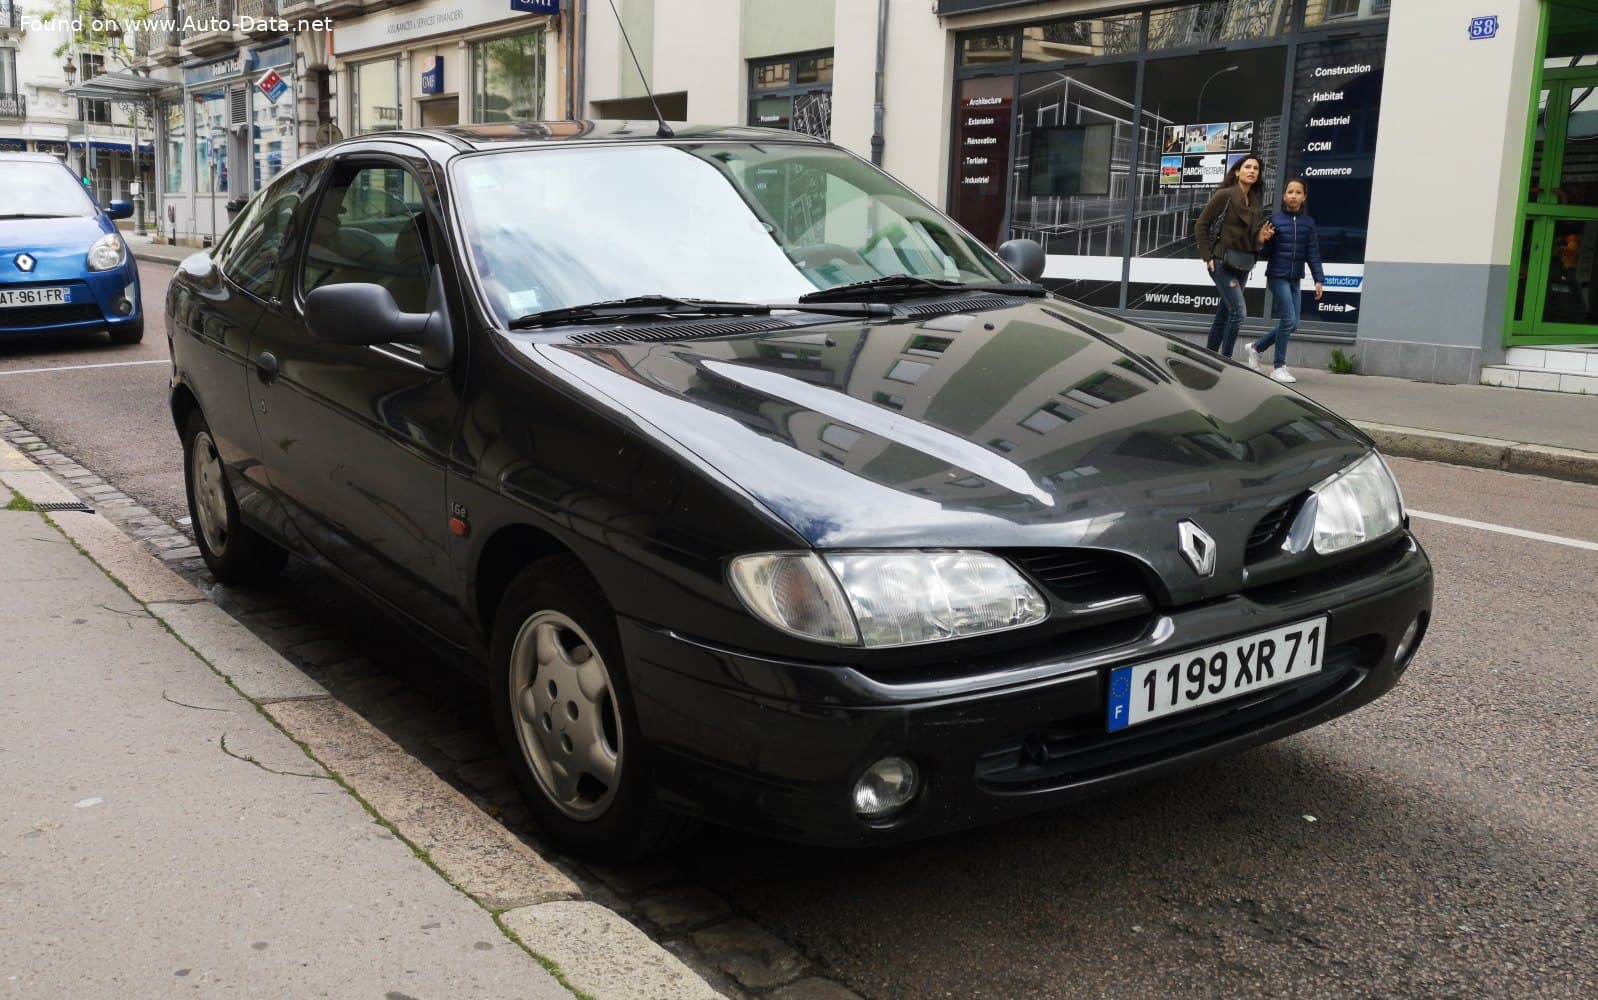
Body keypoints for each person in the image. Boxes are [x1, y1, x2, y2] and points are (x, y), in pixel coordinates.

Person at [1246, 178, 1325, 383]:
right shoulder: (1275, 220)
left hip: (1295, 278)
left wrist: (1318, 279)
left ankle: (1256, 347)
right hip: (1277, 276)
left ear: (1304, 197)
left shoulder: (1308, 223)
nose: (1293, 196)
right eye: (1290, 192)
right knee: (1288, 320)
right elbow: (1265, 253)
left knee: (1294, 324)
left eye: (1298, 192)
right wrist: (1264, 240)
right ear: (1283, 196)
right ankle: (1278, 367)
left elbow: (1313, 253)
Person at [1194, 154, 1273, 358]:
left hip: (1243, 263)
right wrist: (1208, 257)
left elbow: (1251, 238)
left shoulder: (1254, 202)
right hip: (1222, 261)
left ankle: (1209, 358)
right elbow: (1201, 225)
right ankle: (1226, 360)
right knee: (1238, 313)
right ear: (1237, 172)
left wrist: (1261, 238)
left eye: (1256, 168)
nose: (1252, 171)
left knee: (1225, 313)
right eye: (1247, 167)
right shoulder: (1225, 195)